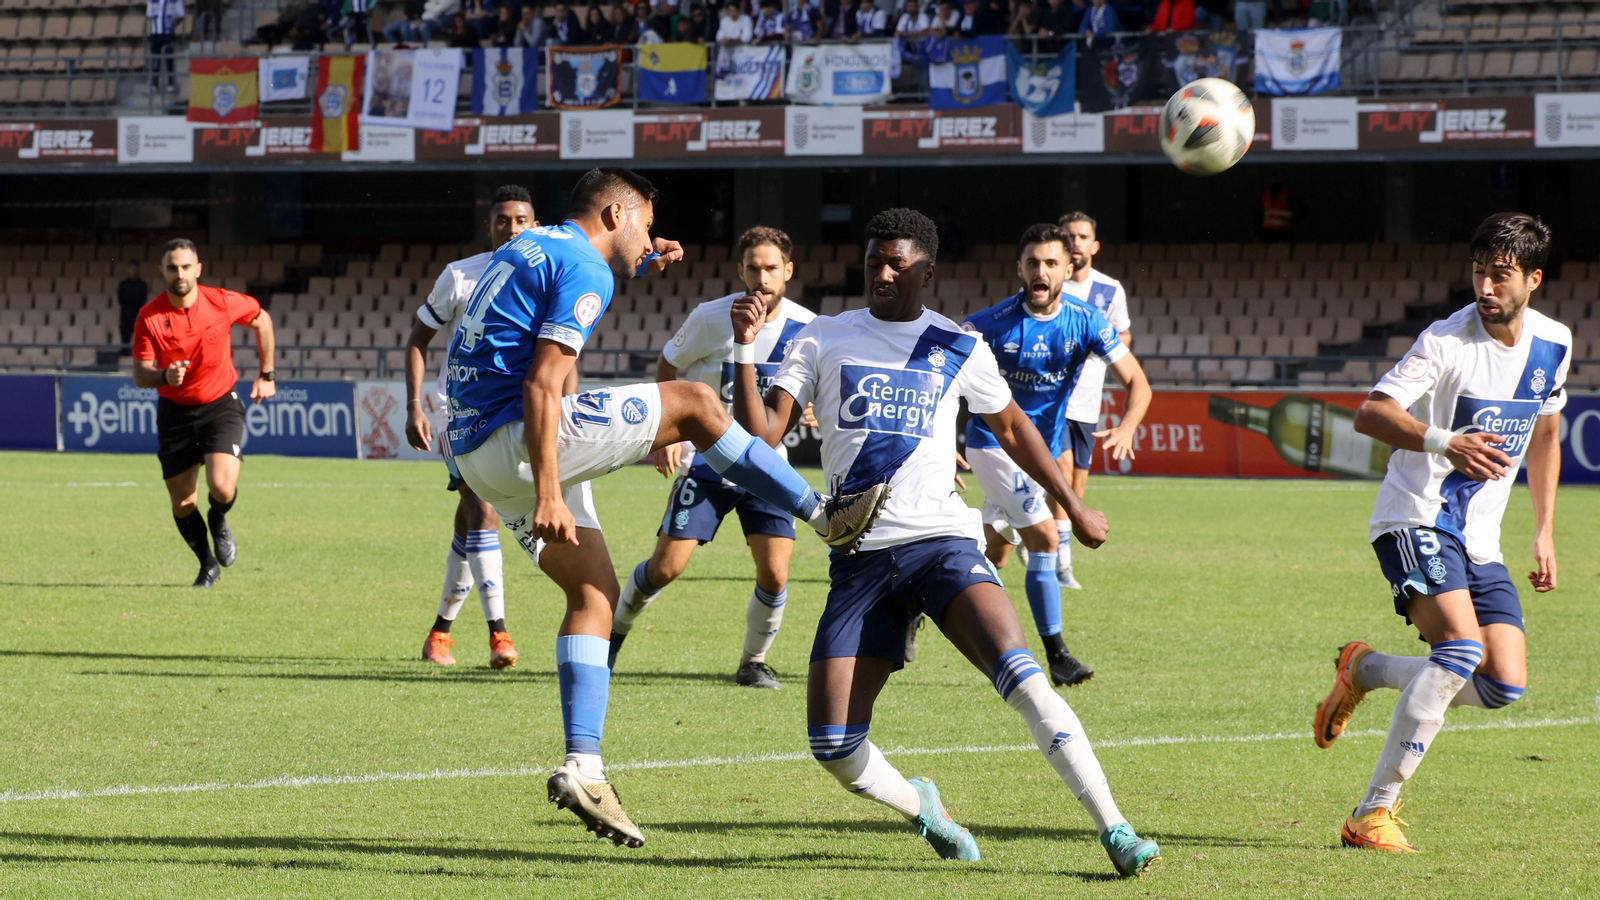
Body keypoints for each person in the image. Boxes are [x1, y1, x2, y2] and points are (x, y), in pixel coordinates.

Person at [445, 167, 890, 848]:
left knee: (594, 593)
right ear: (618, 212)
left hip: (473, 450)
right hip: (519, 440)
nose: (653, 237)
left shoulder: (530, 247)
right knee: (695, 403)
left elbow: (551, 310)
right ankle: (824, 513)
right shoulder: (581, 269)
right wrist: (549, 490)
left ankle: (584, 765)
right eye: (646, 225)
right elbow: (541, 381)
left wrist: (635, 255)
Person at [728, 208, 1160, 874]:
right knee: (832, 744)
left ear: (927, 269)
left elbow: (1013, 428)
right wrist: (746, 350)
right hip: (860, 561)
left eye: (898, 261)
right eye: (874, 259)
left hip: (943, 544)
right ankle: (922, 805)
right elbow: (762, 440)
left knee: (1022, 677)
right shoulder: (823, 336)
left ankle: (1117, 830)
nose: (883, 270)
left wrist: (1073, 501)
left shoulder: (957, 344)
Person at [1313, 213, 1567, 853]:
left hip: (1480, 539)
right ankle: (1373, 813)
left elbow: (1546, 434)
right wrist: (1442, 441)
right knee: (1459, 651)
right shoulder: (1444, 341)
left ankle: (1365, 668)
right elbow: (1372, 412)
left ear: (1532, 280)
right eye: (1479, 270)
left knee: (1501, 684)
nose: (1486, 285)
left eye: (1501, 275)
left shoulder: (1553, 343)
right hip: (1415, 515)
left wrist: (1543, 532)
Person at [609, 227, 816, 689]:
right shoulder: (711, 317)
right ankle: (612, 634)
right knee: (665, 569)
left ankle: (753, 663)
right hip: (709, 462)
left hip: (767, 465)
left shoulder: (810, 328)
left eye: (771, 268)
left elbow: (811, 388)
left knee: (776, 574)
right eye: (752, 268)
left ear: (789, 271)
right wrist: (666, 438)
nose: (761, 278)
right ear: (739, 271)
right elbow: (667, 366)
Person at [964, 222, 1151, 686]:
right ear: (1019, 269)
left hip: (1042, 452)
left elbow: (1138, 382)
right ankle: (1057, 656)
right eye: (1032, 263)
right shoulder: (991, 322)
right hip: (993, 446)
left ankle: (912, 607)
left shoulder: (1086, 321)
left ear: (1070, 268)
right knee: (1046, 540)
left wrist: (1127, 425)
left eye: (1051, 263)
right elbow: (940, 375)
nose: (1041, 271)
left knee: (995, 552)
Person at [406, 186, 536, 670]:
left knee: (471, 519)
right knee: (483, 511)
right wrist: (413, 406)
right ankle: (499, 635)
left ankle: (439, 633)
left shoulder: (547, 276)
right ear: (489, 227)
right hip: (456, 411)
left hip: (514, 412)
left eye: (522, 220)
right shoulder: (461, 276)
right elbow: (418, 338)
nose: (513, 229)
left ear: (536, 225)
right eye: (503, 221)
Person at [130, 239, 276, 588]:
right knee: (182, 502)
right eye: (172, 267)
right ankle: (207, 563)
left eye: (185, 266)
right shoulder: (149, 316)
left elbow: (263, 320)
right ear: (162, 271)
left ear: (198, 269)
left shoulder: (222, 302)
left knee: (222, 489)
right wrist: (164, 376)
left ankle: (219, 518)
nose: (179, 274)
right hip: (175, 413)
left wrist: (267, 374)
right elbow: (140, 373)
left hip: (220, 405)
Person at [1052, 210, 1134, 590]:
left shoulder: (1109, 290)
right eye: (1069, 236)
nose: (1076, 242)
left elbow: (1125, 337)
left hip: (1089, 400)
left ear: (1094, 245)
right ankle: (1061, 562)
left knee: (1078, 487)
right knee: (1064, 474)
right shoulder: (1052, 283)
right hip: (1052, 398)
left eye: (1082, 236)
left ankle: (1030, 525)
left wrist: (1104, 349)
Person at [146, 0, 185, 94]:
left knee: (169, 58)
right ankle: (154, 84)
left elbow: (181, 14)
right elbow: (149, 14)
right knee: (155, 59)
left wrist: (172, 24)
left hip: (168, 33)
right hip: (155, 33)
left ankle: (171, 84)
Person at [117, 261, 149, 351]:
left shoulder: (142, 285)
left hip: (137, 315)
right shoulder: (123, 285)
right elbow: (121, 300)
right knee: (125, 340)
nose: (133, 271)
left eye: (135, 268)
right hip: (125, 316)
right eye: (131, 268)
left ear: (138, 270)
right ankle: (124, 357)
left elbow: (142, 300)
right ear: (128, 270)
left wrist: (131, 299)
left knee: (139, 340)